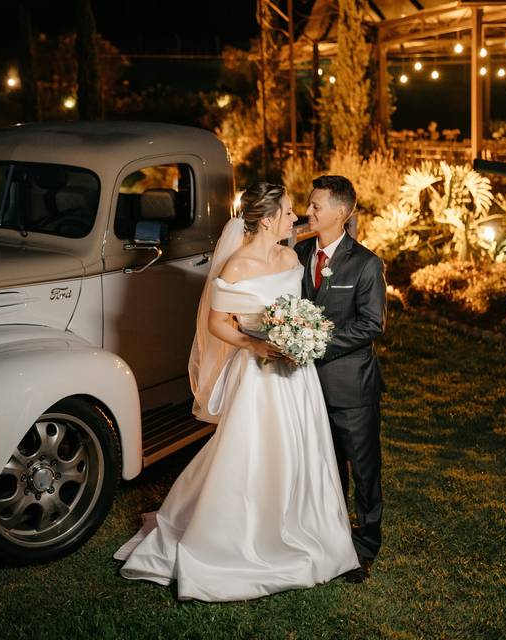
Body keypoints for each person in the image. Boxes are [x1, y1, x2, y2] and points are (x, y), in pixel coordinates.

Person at [114, 183, 360, 602]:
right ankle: (242, 535)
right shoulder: (237, 267)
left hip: (296, 376)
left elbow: (295, 309)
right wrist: (255, 344)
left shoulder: (288, 256)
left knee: (302, 448)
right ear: (266, 219)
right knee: (255, 451)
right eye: (286, 212)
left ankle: (304, 525)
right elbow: (217, 323)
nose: (294, 217)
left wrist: (302, 336)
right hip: (259, 373)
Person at [294, 175, 386, 584]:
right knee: (326, 467)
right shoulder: (297, 254)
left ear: (341, 212)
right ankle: (331, 536)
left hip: (351, 388)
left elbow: (371, 324)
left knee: (364, 470)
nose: (308, 211)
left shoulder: (366, 263)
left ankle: (366, 544)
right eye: (309, 204)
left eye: (316, 206)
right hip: (304, 387)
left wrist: (315, 343)